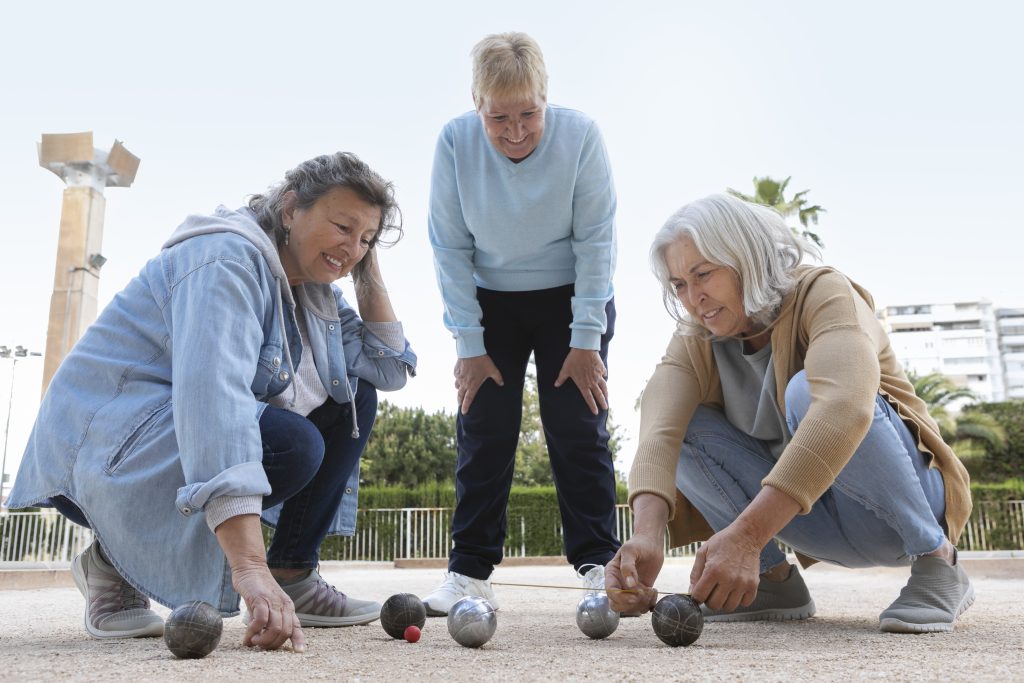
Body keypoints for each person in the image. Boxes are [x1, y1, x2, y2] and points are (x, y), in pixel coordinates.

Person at [7, 152, 416, 652]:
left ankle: (293, 574)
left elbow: (389, 367)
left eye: (366, 239)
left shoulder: (317, 294)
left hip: (165, 441)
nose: (351, 247)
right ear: (290, 210)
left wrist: (366, 269)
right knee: (291, 443)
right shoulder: (226, 260)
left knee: (350, 397)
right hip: (99, 456)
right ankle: (111, 563)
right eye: (342, 227)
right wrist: (248, 568)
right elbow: (214, 404)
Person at [606, 194, 974, 633]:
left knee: (810, 391)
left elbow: (844, 410)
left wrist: (745, 537)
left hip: (909, 507)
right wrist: (647, 534)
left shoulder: (824, 292)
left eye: (703, 274)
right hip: (811, 521)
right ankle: (771, 581)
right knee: (684, 423)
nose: (692, 297)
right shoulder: (696, 335)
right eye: (679, 284)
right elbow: (659, 432)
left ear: (746, 258)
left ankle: (938, 562)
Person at [423, 32, 620, 615]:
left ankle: (598, 565)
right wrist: (468, 343)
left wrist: (586, 339)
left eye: (528, 114)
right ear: (476, 104)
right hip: (490, 303)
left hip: (571, 298)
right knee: (484, 431)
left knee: (578, 428)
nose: (514, 131)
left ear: (546, 97)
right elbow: (449, 247)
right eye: (498, 117)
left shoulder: (580, 135)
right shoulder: (455, 142)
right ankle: (469, 573)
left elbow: (597, 241)